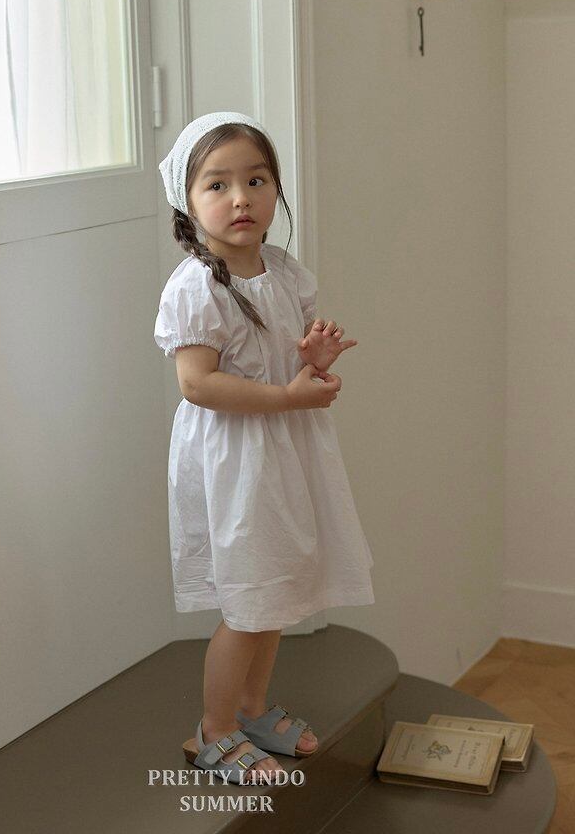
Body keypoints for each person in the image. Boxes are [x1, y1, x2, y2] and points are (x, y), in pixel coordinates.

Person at [154, 111, 375, 786]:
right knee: (249, 603)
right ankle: (214, 730)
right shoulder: (197, 287)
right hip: (237, 461)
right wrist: (286, 396)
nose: (240, 198)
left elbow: (286, 358)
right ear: (187, 202)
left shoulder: (282, 271)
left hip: (283, 449)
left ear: (277, 189)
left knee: (274, 592)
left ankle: (251, 711)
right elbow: (197, 384)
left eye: (256, 180)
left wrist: (314, 362)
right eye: (217, 185)